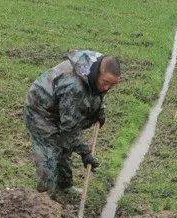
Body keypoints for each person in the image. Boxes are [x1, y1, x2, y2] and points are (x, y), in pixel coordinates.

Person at [23, 50, 121, 196]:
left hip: (59, 105)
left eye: (112, 85)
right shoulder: (75, 87)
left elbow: (97, 92)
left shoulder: (97, 66)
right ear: (98, 74)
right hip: (41, 111)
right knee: (49, 153)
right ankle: (44, 197)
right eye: (105, 82)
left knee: (65, 148)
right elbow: (70, 129)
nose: (107, 88)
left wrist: (99, 109)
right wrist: (85, 153)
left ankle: (64, 186)